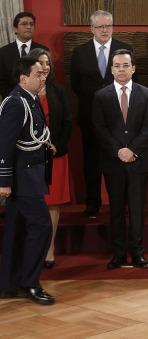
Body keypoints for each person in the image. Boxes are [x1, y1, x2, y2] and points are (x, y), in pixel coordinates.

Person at [92, 49, 148, 270]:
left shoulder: (146, 93)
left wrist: (132, 150)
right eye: (117, 65)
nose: (121, 69)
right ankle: (118, 254)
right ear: (111, 69)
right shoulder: (101, 95)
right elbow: (99, 128)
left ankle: (138, 253)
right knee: (116, 209)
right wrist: (118, 150)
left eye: (125, 65)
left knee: (137, 210)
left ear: (133, 68)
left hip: (139, 161)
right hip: (113, 161)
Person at [0, 56, 54, 305]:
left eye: (44, 74)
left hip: (30, 176)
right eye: (38, 74)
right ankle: (30, 283)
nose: (43, 77)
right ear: (23, 78)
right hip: (22, 180)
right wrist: (4, 181)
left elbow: (32, 135)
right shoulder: (15, 103)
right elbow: (5, 145)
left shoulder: (29, 99)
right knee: (42, 226)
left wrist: (45, 146)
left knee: (17, 230)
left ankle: (10, 283)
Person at [70, 10, 134, 218]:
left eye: (108, 25)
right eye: (100, 26)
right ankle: (92, 204)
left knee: (118, 161)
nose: (105, 30)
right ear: (91, 29)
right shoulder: (80, 52)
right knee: (91, 162)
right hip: (89, 118)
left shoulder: (124, 50)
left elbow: (133, 83)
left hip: (119, 118)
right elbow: (75, 85)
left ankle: (119, 203)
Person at [28, 48, 72, 269]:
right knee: (34, 202)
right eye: (40, 62)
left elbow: (67, 121)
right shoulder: (23, 91)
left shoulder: (58, 91)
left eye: (47, 63)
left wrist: (59, 145)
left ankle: (50, 249)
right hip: (30, 158)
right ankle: (33, 248)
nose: (44, 66)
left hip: (56, 155)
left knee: (53, 204)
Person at [0, 11, 49, 99]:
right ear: (15, 28)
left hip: (39, 99)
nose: (29, 27)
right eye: (24, 24)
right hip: (13, 100)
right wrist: (13, 97)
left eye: (31, 24)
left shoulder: (43, 50)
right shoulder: (3, 52)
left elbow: (48, 77)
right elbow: (1, 81)